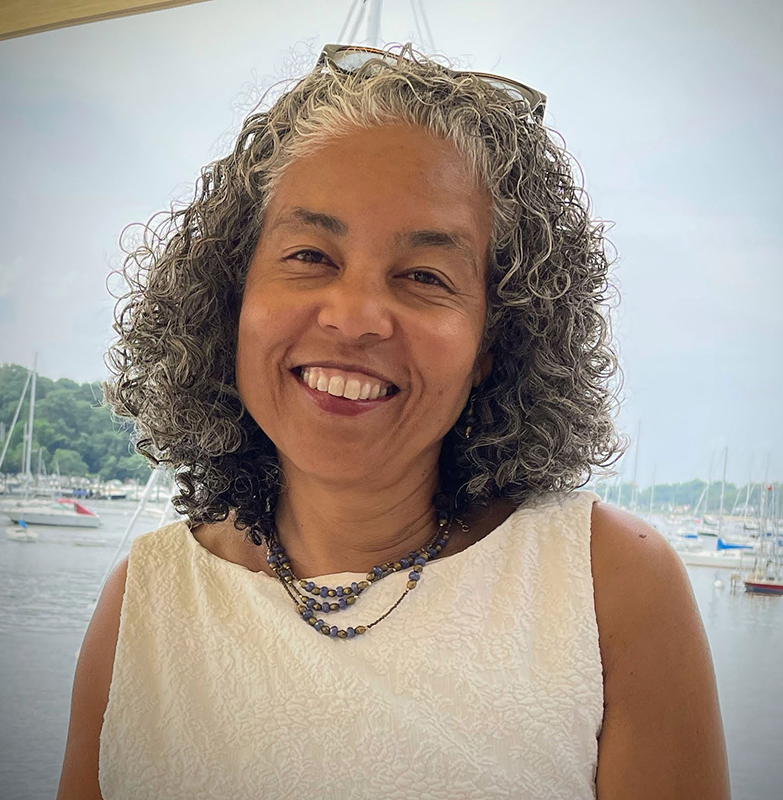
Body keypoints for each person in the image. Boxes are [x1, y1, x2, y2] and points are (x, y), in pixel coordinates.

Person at [57, 44, 730, 799]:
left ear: (492, 342)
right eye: (310, 254)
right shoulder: (143, 605)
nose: (354, 317)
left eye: (424, 276)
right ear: (230, 301)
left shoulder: (613, 584)